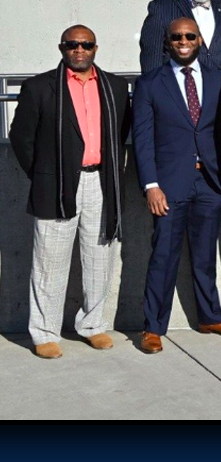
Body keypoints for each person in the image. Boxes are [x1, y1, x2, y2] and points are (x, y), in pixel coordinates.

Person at [9, 25, 130, 360]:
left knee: (100, 259)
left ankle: (93, 325)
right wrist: (44, 174)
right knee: (49, 262)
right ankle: (45, 333)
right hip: (56, 184)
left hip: (102, 182)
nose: (79, 49)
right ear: (62, 48)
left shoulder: (115, 87)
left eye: (86, 44)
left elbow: (121, 132)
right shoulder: (39, 87)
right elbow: (21, 137)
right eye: (72, 44)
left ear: (95, 48)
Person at [133, 17, 221, 354]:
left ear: (199, 41)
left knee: (205, 254)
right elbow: (142, 139)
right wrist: (151, 185)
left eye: (189, 36)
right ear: (167, 42)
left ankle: (210, 317)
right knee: (163, 256)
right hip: (168, 185)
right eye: (176, 37)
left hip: (210, 182)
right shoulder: (149, 83)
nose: (183, 41)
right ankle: (153, 327)